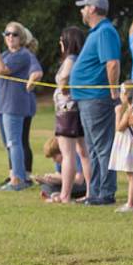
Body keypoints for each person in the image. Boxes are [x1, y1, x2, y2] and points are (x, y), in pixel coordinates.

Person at [70, 0, 121, 205]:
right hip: (87, 98)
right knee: (93, 147)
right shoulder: (97, 32)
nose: (81, 10)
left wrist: (113, 93)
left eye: (84, 7)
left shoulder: (105, 32)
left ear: (92, 9)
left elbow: (112, 63)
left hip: (97, 98)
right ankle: (96, 191)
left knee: (102, 146)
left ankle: (105, 192)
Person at [0, 22, 42, 190]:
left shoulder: (23, 55)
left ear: (21, 38)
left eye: (14, 34)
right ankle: (14, 176)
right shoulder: (4, 54)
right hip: (3, 104)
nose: (10, 37)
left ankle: (18, 180)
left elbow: (2, 70)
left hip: (15, 105)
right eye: (7, 34)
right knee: (8, 143)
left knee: (14, 142)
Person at [51, 27, 90, 204]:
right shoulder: (82, 59)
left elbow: (64, 78)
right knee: (83, 152)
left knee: (68, 154)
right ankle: (90, 192)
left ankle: (65, 195)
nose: (59, 43)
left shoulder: (71, 59)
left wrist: (62, 83)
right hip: (78, 108)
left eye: (61, 40)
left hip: (67, 111)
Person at [109, 82, 133, 212]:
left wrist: (118, 112)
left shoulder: (130, 111)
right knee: (131, 175)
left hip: (129, 145)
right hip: (129, 144)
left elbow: (119, 127)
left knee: (131, 175)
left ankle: (131, 204)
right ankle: (131, 202)